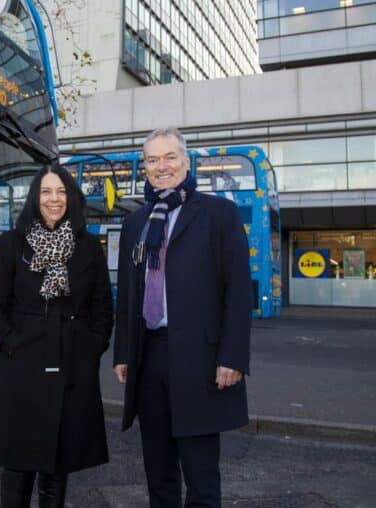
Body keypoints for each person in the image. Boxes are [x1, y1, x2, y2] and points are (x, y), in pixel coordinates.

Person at [113, 127, 251, 507]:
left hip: (201, 360)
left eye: (170, 157)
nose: (162, 167)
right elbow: (128, 294)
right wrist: (123, 352)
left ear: (186, 162)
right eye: (153, 160)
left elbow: (238, 291)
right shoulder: (135, 224)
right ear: (145, 168)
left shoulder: (219, 214)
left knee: (202, 478)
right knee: (159, 476)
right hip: (149, 356)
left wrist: (232, 356)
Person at [0, 164, 114, 507]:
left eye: (61, 192)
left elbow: (102, 309)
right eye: (46, 192)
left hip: (71, 366)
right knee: (17, 465)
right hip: (20, 367)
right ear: (34, 198)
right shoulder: (12, 243)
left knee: (59, 464)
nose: (54, 199)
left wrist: (89, 348)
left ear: (71, 197)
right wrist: (11, 343)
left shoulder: (89, 248)